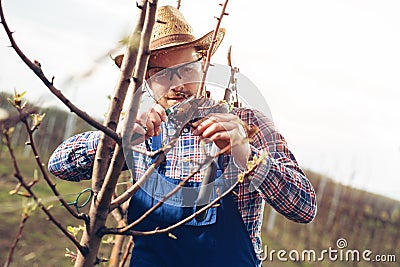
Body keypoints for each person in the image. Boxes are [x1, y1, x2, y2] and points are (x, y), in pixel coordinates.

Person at [48, 5, 317, 267]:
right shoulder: (139, 130)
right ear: (145, 80)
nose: (177, 83)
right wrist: (115, 141)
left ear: (203, 66)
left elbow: (304, 207)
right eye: (162, 74)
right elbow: (58, 165)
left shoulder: (247, 123)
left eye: (187, 69)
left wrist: (247, 155)